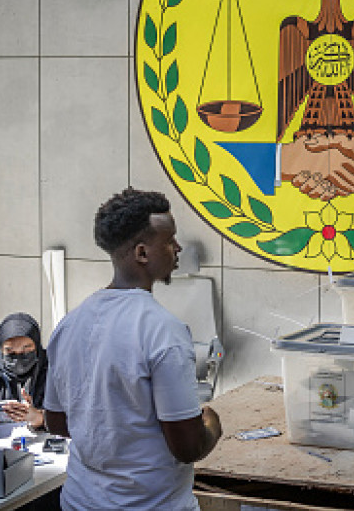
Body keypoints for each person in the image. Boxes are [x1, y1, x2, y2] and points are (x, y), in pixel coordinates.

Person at [44, 188, 222, 510]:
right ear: (142, 253)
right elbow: (188, 447)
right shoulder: (162, 330)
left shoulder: (70, 324)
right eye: (170, 241)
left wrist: (111, 430)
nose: (178, 248)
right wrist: (211, 424)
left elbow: (56, 422)